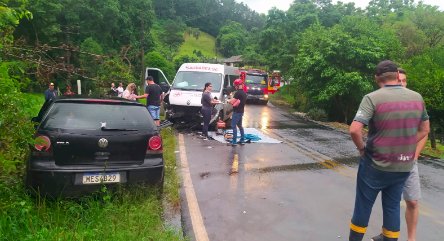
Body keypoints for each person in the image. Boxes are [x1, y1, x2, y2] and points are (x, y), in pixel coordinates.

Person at [348, 60, 430, 241]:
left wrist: (362, 149)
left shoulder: (372, 98)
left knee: (363, 207)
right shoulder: (417, 98)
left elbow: (354, 129)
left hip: (374, 165)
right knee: (392, 207)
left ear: (377, 78)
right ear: (396, 76)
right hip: (403, 165)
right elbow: (425, 130)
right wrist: (406, 144)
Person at [371, 68, 428, 241]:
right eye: (399, 80)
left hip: (409, 160)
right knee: (390, 199)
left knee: (412, 201)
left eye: (404, 80)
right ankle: (386, 233)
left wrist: (415, 154)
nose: (401, 83)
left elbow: (424, 131)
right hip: (388, 159)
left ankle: (412, 238)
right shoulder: (385, 102)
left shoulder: (415, 100)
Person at [229, 78, 247, 146]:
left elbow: (232, 101)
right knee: (240, 126)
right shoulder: (244, 93)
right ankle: (242, 140)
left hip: (236, 112)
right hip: (241, 111)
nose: (235, 87)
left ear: (237, 85)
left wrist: (228, 101)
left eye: (235, 86)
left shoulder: (237, 93)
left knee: (233, 126)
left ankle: (234, 141)